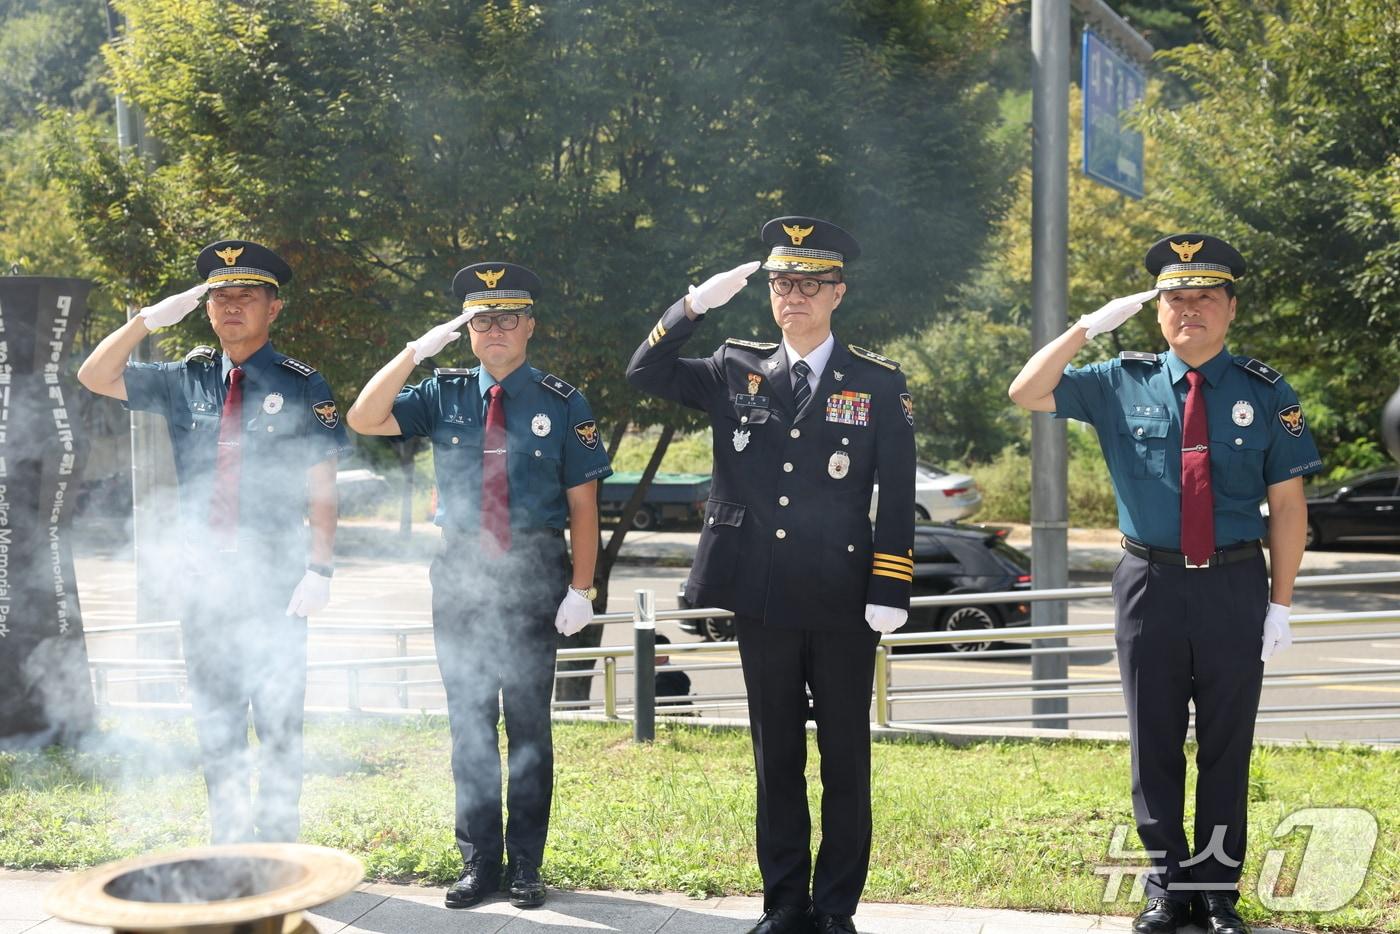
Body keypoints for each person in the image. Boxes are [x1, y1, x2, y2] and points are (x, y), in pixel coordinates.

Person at [1008, 234, 1321, 934]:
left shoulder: (1266, 392)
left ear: (1232, 309)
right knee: (1152, 743)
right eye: (1176, 299)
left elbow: (1290, 506)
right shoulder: (1120, 379)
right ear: (1157, 313)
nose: (1191, 311)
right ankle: (1166, 888)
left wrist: (1281, 604)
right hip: (1148, 579)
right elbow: (1027, 390)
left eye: (1206, 297)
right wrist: (1088, 327)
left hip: (1235, 584)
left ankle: (1217, 892)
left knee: (1225, 744)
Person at [627, 217, 916, 934]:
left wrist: (891, 587)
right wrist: (691, 307)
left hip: (846, 598)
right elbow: (645, 372)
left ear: (837, 294)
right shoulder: (735, 365)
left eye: (809, 284)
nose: (792, 297)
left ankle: (836, 907)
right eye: (782, 283)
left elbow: (899, 490)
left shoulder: (877, 382)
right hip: (762, 595)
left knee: (844, 758)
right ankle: (785, 902)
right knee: (775, 754)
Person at [346, 262, 611, 910]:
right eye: (481, 320)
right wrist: (415, 352)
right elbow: (363, 416)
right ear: (465, 332)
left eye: (508, 318)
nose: (495, 330)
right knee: (468, 725)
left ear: (529, 326)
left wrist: (583, 588)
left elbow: (583, 506)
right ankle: (477, 863)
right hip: (462, 573)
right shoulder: (443, 393)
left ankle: (525, 865)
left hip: (532, 572)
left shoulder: (560, 400)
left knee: (527, 726)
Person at [77, 240, 347, 843]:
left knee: (278, 722)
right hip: (204, 583)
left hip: (276, 580)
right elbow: (94, 376)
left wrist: (320, 569)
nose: (232, 306)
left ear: (273, 309)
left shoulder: (303, 384)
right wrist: (146, 320)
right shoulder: (185, 378)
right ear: (204, 309)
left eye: (247, 296)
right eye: (221, 296)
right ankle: (228, 843)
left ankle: (278, 848)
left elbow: (321, 488)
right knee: (216, 721)